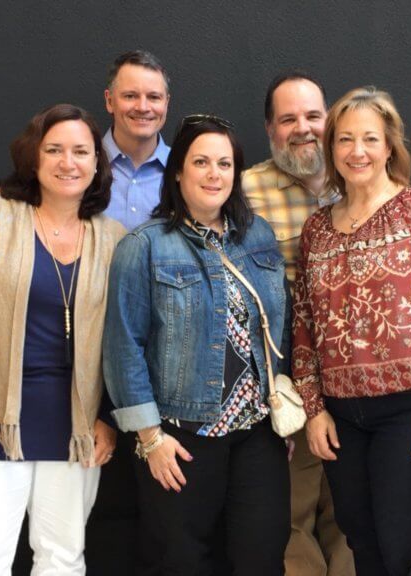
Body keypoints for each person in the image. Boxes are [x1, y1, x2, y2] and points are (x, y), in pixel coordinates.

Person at [0, 103, 126, 575]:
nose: (68, 162)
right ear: (33, 157)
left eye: (81, 151)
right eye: (54, 150)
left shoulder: (114, 239)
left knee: (63, 560)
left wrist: (108, 417)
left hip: (74, 430)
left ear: (97, 163)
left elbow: (125, 338)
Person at [292, 86, 411, 575]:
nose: (357, 151)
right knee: (362, 542)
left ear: (390, 147)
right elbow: (305, 324)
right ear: (331, 147)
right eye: (345, 139)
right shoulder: (317, 229)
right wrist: (314, 409)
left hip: (409, 413)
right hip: (341, 418)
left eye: (370, 139)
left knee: (404, 548)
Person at [103, 115, 290, 576]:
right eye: (201, 162)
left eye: (224, 164)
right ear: (178, 173)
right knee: (182, 563)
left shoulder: (259, 236)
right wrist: (150, 439)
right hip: (181, 437)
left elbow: (277, 327)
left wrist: (280, 406)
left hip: (257, 435)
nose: (214, 174)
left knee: (262, 559)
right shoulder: (143, 246)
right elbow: (124, 347)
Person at [242, 71, 353, 576]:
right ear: (270, 129)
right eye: (288, 119)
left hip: (357, 376)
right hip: (286, 377)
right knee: (291, 510)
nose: (303, 128)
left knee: (354, 512)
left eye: (313, 115)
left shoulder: (361, 178)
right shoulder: (245, 190)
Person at [102, 50, 171, 230]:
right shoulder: (79, 167)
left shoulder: (186, 171)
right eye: (130, 96)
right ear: (109, 101)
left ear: (166, 103)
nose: (142, 107)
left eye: (154, 97)